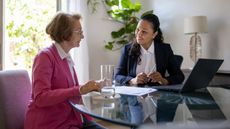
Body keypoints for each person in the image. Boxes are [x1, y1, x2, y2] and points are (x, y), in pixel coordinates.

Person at [24, 12, 106, 129]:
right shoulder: (45, 57)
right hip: (49, 123)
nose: (82, 37)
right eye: (79, 32)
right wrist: (79, 90)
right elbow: (41, 97)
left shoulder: (65, 57)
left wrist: (89, 120)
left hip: (71, 120)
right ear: (65, 34)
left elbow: (73, 93)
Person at [115, 13, 184, 86]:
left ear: (154, 34)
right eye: (137, 29)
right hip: (134, 94)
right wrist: (132, 80)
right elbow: (117, 76)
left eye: (144, 31)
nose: (139, 34)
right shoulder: (127, 49)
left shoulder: (165, 50)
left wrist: (163, 80)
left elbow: (179, 76)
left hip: (158, 95)